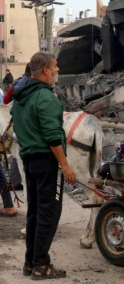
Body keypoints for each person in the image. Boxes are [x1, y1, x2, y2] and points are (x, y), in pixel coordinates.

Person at [11, 51, 76, 280]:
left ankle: (30, 263)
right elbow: (52, 137)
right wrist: (65, 165)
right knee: (49, 213)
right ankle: (41, 265)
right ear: (46, 69)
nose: (58, 70)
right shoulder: (46, 98)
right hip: (47, 162)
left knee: (35, 213)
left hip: (29, 160)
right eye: (56, 66)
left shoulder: (21, 96)